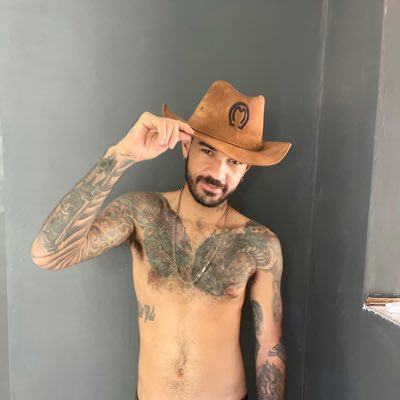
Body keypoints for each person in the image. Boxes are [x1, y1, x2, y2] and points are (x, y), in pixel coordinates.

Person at [31, 80, 292, 400]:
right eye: (208, 151)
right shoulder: (142, 213)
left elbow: (269, 347)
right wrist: (121, 155)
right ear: (186, 146)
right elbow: (48, 253)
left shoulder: (259, 243)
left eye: (234, 161)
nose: (217, 172)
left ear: (246, 168)